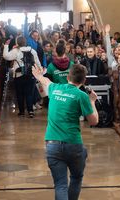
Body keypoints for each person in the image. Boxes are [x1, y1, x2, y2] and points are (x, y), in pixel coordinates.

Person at [32, 63, 99, 200]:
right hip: (73, 144)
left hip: (52, 144)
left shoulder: (55, 88)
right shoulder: (81, 96)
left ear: (68, 76)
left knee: (60, 184)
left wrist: (38, 74)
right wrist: (92, 101)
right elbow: (93, 121)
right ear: (84, 80)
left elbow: (45, 80)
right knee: (76, 177)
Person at [3, 36, 41, 118]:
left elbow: (6, 56)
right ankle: (30, 111)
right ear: (25, 42)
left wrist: (6, 46)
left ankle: (21, 112)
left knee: (20, 94)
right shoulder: (32, 50)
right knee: (29, 94)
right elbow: (37, 61)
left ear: (17, 43)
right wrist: (40, 70)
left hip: (19, 75)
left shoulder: (16, 51)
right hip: (31, 74)